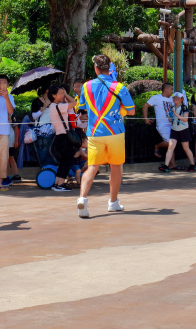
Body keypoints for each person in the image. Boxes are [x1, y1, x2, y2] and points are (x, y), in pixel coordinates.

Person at [76, 54, 136, 218]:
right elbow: (131, 110)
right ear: (109, 68)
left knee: (92, 167)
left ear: (95, 68)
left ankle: (82, 199)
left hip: (95, 132)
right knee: (115, 167)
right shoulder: (119, 87)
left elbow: (81, 111)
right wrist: (118, 112)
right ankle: (113, 202)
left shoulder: (86, 87)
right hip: (115, 132)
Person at [45, 85, 78, 192]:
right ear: (53, 95)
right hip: (63, 137)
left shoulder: (54, 106)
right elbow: (74, 103)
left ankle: (57, 183)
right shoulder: (58, 106)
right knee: (66, 161)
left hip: (60, 136)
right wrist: (67, 95)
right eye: (60, 93)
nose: (62, 95)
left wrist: (64, 96)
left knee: (64, 161)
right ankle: (60, 184)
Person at [143, 82, 181, 160]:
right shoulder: (156, 98)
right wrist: (146, 118)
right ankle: (157, 146)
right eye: (171, 89)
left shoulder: (172, 99)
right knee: (170, 142)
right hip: (162, 124)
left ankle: (172, 164)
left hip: (172, 124)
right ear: (165, 90)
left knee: (172, 143)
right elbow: (145, 106)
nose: (172, 91)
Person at [162, 91, 196, 172]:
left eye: (177, 97)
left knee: (186, 148)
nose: (175, 99)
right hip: (174, 129)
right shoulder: (172, 107)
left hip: (183, 129)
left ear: (181, 99)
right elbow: (171, 119)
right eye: (174, 97)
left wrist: (175, 114)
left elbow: (185, 119)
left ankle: (192, 164)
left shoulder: (184, 107)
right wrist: (170, 118)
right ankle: (166, 165)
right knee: (170, 147)